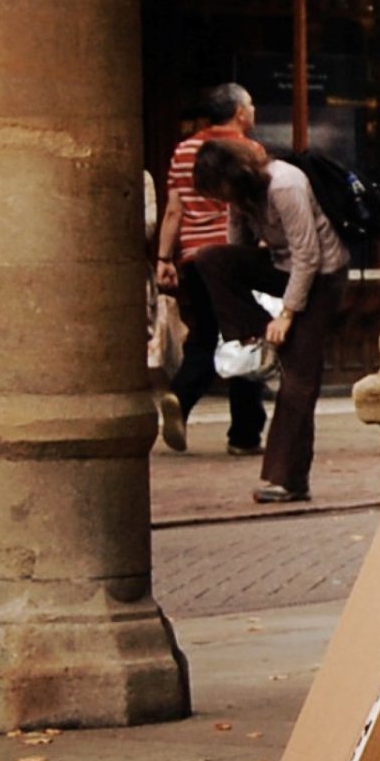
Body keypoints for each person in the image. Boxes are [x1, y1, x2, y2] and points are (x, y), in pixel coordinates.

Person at [187, 137, 349, 504]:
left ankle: (287, 479)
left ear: (236, 175)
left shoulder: (284, 184)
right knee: (210, 258)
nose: (222, 199)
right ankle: (257, 342)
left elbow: (308, 254)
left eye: (221, 190)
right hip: (280, 266)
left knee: (298, 380)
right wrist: (255, 314)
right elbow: (237, 248)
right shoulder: (241, 198)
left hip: (321, 275)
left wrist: (288, 315)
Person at [153, 83, 266, 455]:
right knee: (246, 335)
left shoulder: (184, 150)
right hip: (233, 256)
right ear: (239, 112)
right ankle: (244, 434)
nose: (253, 110)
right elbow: (254, 208)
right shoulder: (249, 150)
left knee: (205, 335)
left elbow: (174, 209)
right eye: (250, 105)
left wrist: (165, 258)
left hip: (193, 259)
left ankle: (179, 398)